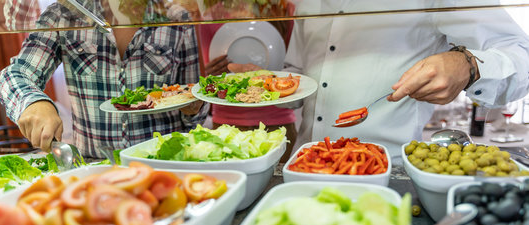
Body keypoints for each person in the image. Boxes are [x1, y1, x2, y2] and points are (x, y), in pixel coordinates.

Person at [283, 0, 529, 163]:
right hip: (302, 164)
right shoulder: (308, 2)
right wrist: (263, 86)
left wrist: (467, 64)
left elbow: (522, 56)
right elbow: (296, 74)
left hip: (388, 171)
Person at [0, 0, 208, 159]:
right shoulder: (63, 15)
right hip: (96, 167)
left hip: (165, 161)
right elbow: (15, 75)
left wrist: (194, 107)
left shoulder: (176, 16)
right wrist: (34, 103)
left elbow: (194, 102)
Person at [196, 19, 298, 162]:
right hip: (227, 124)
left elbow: (292, 69)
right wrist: (207, 73)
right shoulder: (209, 15)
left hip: (278, 121)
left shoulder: (279, 11)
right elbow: (201, 75)